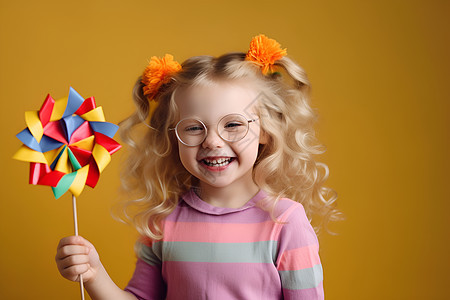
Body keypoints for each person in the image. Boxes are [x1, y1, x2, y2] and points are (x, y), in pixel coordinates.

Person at [55, 34, 340, 299]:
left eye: (232, 124)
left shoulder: (286, 221)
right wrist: (94, 274)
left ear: (265, 131)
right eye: (193, 128)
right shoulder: (163, 223)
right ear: (173, 137)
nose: (213, 141)